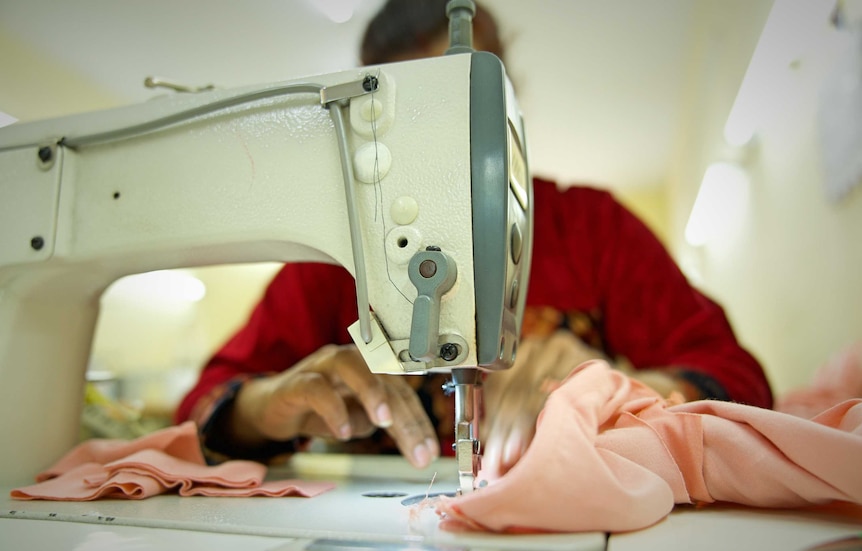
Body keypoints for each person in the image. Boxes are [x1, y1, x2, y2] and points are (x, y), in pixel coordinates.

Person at [175, 0, 772, 477]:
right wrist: (263, 408)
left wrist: (626, 387)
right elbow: (195, 413)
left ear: (507, 106)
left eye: (462, 110)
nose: (443, 143)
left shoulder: (595, 229)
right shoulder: (334, 260)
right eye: (413, 120)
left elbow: (743, 384)